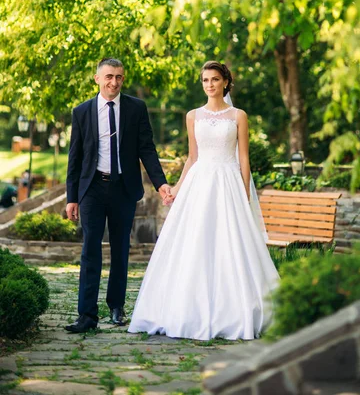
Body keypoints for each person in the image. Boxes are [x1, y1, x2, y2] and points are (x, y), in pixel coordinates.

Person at [128, 61, 279, 340]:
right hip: (199, 182)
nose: (209, 84)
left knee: (229, 243)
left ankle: (236, 309)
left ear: (225, 82)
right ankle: (186, 308)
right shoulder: (192, 115)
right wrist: (176, 187)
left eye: (214, 79)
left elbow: (243, 158)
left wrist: (245, 192)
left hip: (228, 182)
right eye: (205, 80)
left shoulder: (238, 116)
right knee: (194, 241)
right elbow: (192, 157)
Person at [65, 57, 170, 333]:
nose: (114, 82)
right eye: (109, 76)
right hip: (92, 189)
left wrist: (161, 183)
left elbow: (147, 148)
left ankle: (116, 307)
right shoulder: (82, 112)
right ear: (97, 78)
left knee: (121, 249)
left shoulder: (136, 108)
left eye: (119, 77)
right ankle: (86, 315)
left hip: (124, 188)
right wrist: (71, 197)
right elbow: (74, 158)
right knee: (90, 251)